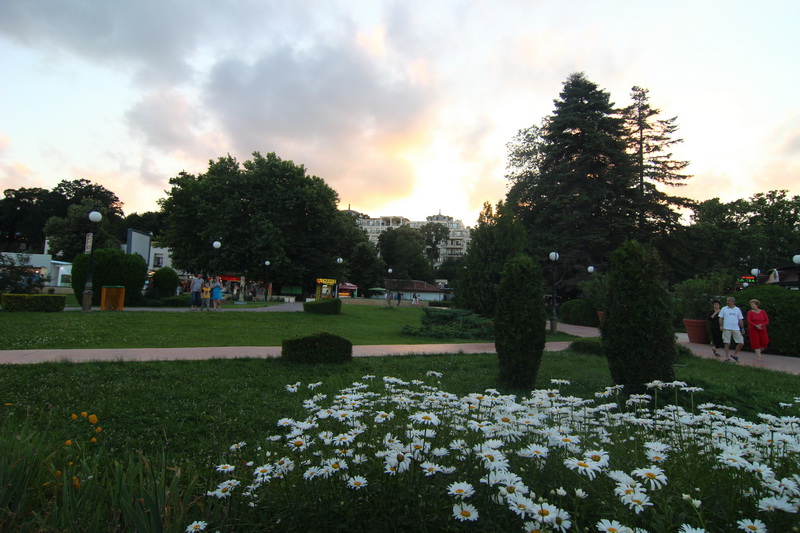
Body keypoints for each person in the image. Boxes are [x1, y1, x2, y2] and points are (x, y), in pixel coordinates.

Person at [718, 297, 744, 363]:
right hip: (726, 328)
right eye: (727, 300)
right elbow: (720, 317)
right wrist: (721, 325)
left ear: (733, 302)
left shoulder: (737, 309)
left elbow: (740, 319)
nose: (727, 302)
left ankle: (734, 354)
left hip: (736, 328)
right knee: (727, 343)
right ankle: (727, 357)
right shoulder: (724, 309)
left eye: (729, 301)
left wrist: (742, 328)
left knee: (741, 342)